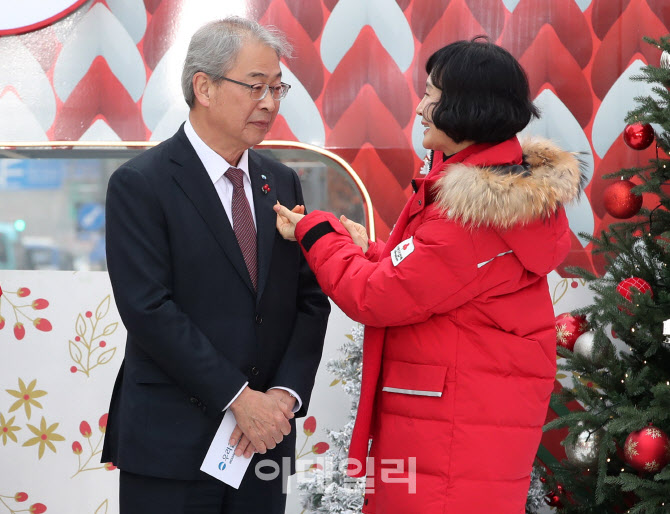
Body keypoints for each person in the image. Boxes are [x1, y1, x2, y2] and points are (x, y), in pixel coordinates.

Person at [274, 37, 585, 513]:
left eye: (431, 96)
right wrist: (369, 249)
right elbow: (431, 275)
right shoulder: (491, 197)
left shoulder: (473, 217)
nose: (419, 108)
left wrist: (318, 232)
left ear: (465, 109)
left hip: (448, 441)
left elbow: (374, 296)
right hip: (455, 431)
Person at [102, 17, 330, 514]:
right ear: (203, 86)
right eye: (255, 86)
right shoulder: (141, 183)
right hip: (171, 442)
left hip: (262, 444)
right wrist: (239, 399)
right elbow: (148, 308)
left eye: (277, 87)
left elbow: (308, 300)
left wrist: (284, 398)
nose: (269, 103)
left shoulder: (282, 181)